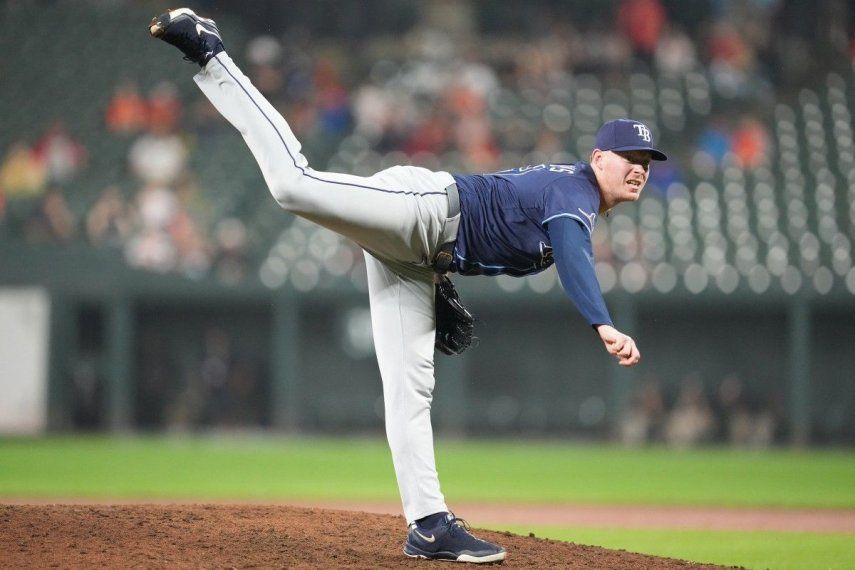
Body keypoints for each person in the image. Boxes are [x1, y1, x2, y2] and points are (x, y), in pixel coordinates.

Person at [149, 8, 666, 564]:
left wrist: (442, 272)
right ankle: (210, 52)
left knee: (408, 388)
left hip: (423, 256)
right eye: (627, 157)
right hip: (423, 211)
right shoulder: (578, 193)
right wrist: (603, 321)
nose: (638, 167)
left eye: (646, 160)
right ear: (598, 158)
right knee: (292, 186)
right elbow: (572, 254)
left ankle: (428, 525)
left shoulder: (574, 191)